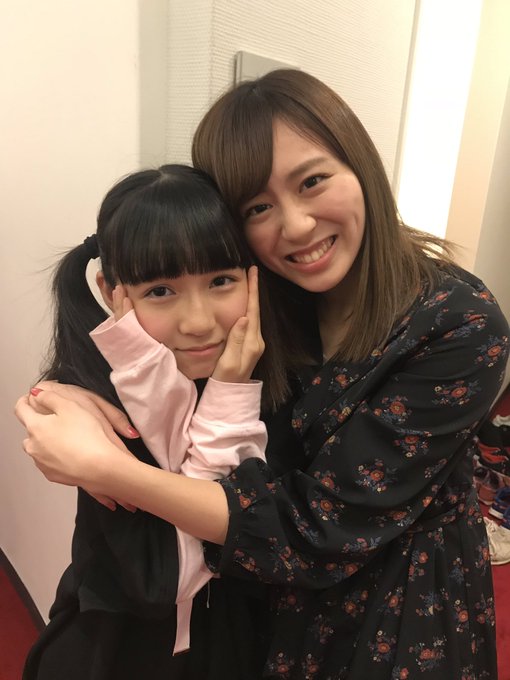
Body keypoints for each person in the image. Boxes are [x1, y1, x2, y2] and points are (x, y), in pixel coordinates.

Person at [16, 70, 510, 679]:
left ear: (361, 165)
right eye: (258, 207)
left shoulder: (456, 322)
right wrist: (67, 393)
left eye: (313, 181)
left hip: (392, 602)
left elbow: (321, 527)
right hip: (253, 607)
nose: (295, 225)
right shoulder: (266, 292)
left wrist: (105, 468)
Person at [19, 163, 288, 679]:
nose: (199, 322)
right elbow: (167, 578)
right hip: (113, 654)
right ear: (110, 291)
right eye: (161, 291)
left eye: (222, 280)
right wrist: (226, 396)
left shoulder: (278, 384)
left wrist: (232, 387)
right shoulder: (99, 405)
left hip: (233, 648)